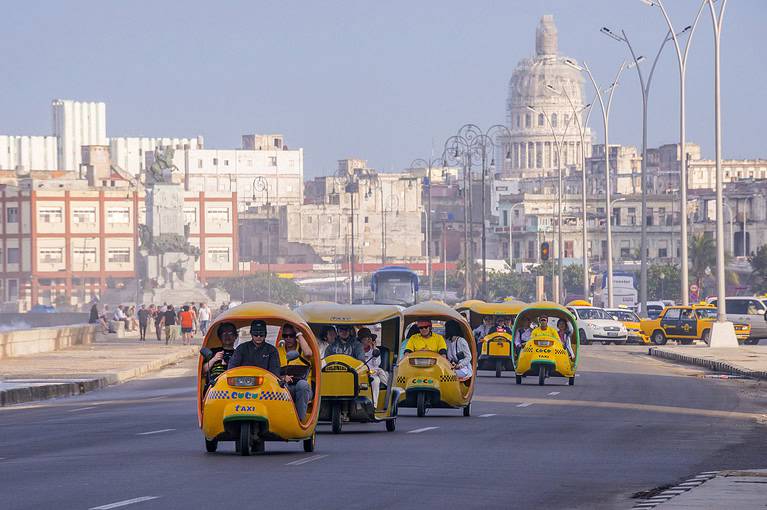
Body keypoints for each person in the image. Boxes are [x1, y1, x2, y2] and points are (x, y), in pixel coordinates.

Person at [277, 324, 314, 421]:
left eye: (291, 335)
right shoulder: (278, 352)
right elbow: (272, 372)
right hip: (286, 387)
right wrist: (283, 377)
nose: (288, 338)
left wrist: (298, 333)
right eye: (285, 336)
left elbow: (309, 354)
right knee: (282, 388)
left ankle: (300, 421)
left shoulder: (302, 349)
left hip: (304, 389)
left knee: (302, 385)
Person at [359, 329, 388, 408]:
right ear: (361, 340)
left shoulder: (376, 350)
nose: (368, 340)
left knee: (376, 381)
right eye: (366, 338)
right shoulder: (357, 350)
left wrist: (374, 349)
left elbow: (377, 364)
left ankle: (374, 406)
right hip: (360, 374)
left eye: (369, 338)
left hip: (372, 373)